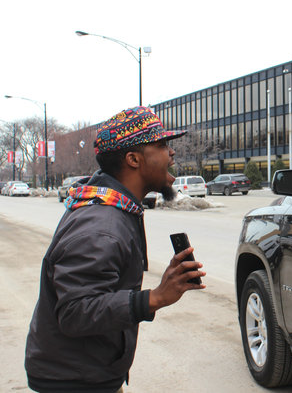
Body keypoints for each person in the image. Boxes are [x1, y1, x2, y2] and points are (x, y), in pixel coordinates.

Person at [25, 106, 206, 393]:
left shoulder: (117, 209)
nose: (171, 153)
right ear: (133, 159)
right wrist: (154, 298)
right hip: (73, 383)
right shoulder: (101, 227)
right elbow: (75, 312)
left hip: (89, 375)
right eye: (161, 145)